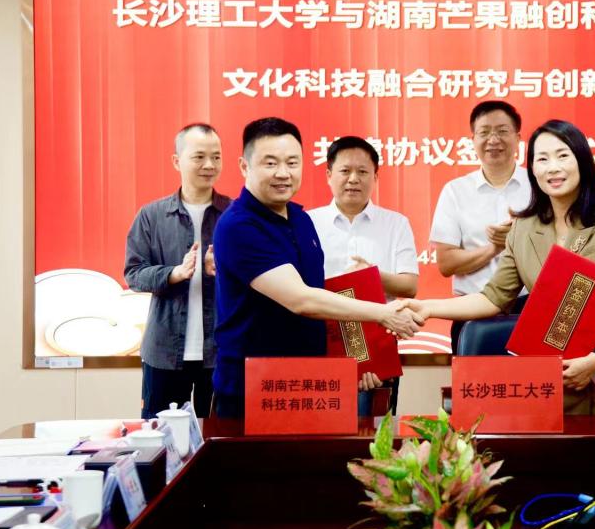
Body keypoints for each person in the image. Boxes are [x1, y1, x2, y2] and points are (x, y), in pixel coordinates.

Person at [408, 120, 595, 415]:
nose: (553, 168)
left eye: (563, 156)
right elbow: (493, 298)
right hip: (554, 376)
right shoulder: (523, 229)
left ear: (582, 160)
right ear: (532, 169)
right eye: (542, 159)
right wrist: (427, 307)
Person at [211, 117, 421, 418]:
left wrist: (357, 362)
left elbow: (321, 299)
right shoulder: (239, 226)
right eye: (270, 163)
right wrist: (384, 313)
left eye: (292, 162)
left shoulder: (300, 219)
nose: (283, 173)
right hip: (255, 390)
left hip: (308, 385)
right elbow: (302, 300)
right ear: (245, 166)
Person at [124, 123, 230, 419]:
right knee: (163, 436)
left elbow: (253, 279)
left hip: (220, 352)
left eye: (216, 157)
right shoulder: (152, 215)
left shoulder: (234, 215)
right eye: (199, 157)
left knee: (220, 437)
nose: (209, 165)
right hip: (164, 352)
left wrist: (222, 272)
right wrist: (175, 273)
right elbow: (134, 274)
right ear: (176, 161)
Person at [429, 102, 532, 351]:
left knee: (533, 378)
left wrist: (519, 239)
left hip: (530, 311)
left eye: (502, 131)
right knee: (474, 378)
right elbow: (446, 263)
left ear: (518, 138)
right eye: (484, 132)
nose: (493, 140)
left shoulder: (538, 185)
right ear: (472, 140)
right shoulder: (455, 191)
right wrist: (494, 249)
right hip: (471, 313)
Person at [308, 136, 419, 300]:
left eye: (362, 172)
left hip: (380, 315)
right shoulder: (308, 222)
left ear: (375, 178)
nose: (353, 179)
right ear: (329, 176)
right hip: (321, 315)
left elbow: (409, 287)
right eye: (345, 171)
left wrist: (371, 275)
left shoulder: (396, 223)